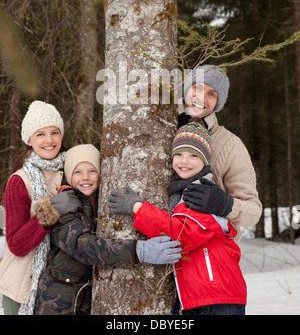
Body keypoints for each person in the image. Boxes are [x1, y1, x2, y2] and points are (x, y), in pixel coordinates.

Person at [107, 122, 247, 315]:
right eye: (179, 154)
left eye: (193, 155)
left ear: (205, 160)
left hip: (216, 295)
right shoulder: (181, 192)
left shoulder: (202, 193)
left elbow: (181, 234)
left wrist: (137, 208)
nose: (185, 161)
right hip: (199, 294)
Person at [33, 144, 182, 315]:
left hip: (82, 302)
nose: (85, 178)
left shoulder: (96, 205)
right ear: (68, 175)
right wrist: (141, 250)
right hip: (56, 304)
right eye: (77, 172)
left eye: (92, 171)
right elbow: (85, 247)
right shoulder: (64, 207)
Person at [0, 100, 79, 315]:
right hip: (23, 287)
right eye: (41, 134)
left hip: (61, 284)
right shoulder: (19, 182)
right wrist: (50, 210)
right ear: (29, 140)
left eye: (54, 132)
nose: (50, 140)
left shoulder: (74, 169)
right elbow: (16, 243)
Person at [178, 64, 262, 241]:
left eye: (211, 94)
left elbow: (253, 211)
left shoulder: (231, 145)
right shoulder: (158, 125)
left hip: (207, 256)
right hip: (154, 250)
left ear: (218, 102)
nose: (201, 97)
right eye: (197, 87)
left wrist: (225, 205)